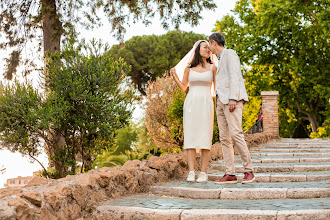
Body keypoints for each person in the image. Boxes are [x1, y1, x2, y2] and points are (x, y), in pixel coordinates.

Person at [208, 32, 255, 183]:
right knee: (224, 138)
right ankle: (230, 173)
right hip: (220, 101)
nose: (209, 47)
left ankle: (249, 170)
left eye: (209, 43)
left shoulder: (230, 53)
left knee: (236, 133)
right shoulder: (218, 59)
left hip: (231, 100)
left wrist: (234, 97)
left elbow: (235, 75)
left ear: (214, 42)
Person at [170, 40, 217, 183]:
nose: (208, 50)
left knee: (205, 136)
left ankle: (203, 172)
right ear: (198, 50)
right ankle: (191, 171)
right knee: (190, 137)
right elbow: (184, 87)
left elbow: (217, 88)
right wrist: (175, 78)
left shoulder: (213, 68)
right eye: (205, 47)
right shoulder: (189, 69)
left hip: (206, 103)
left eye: (209, 48)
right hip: (191, 103)